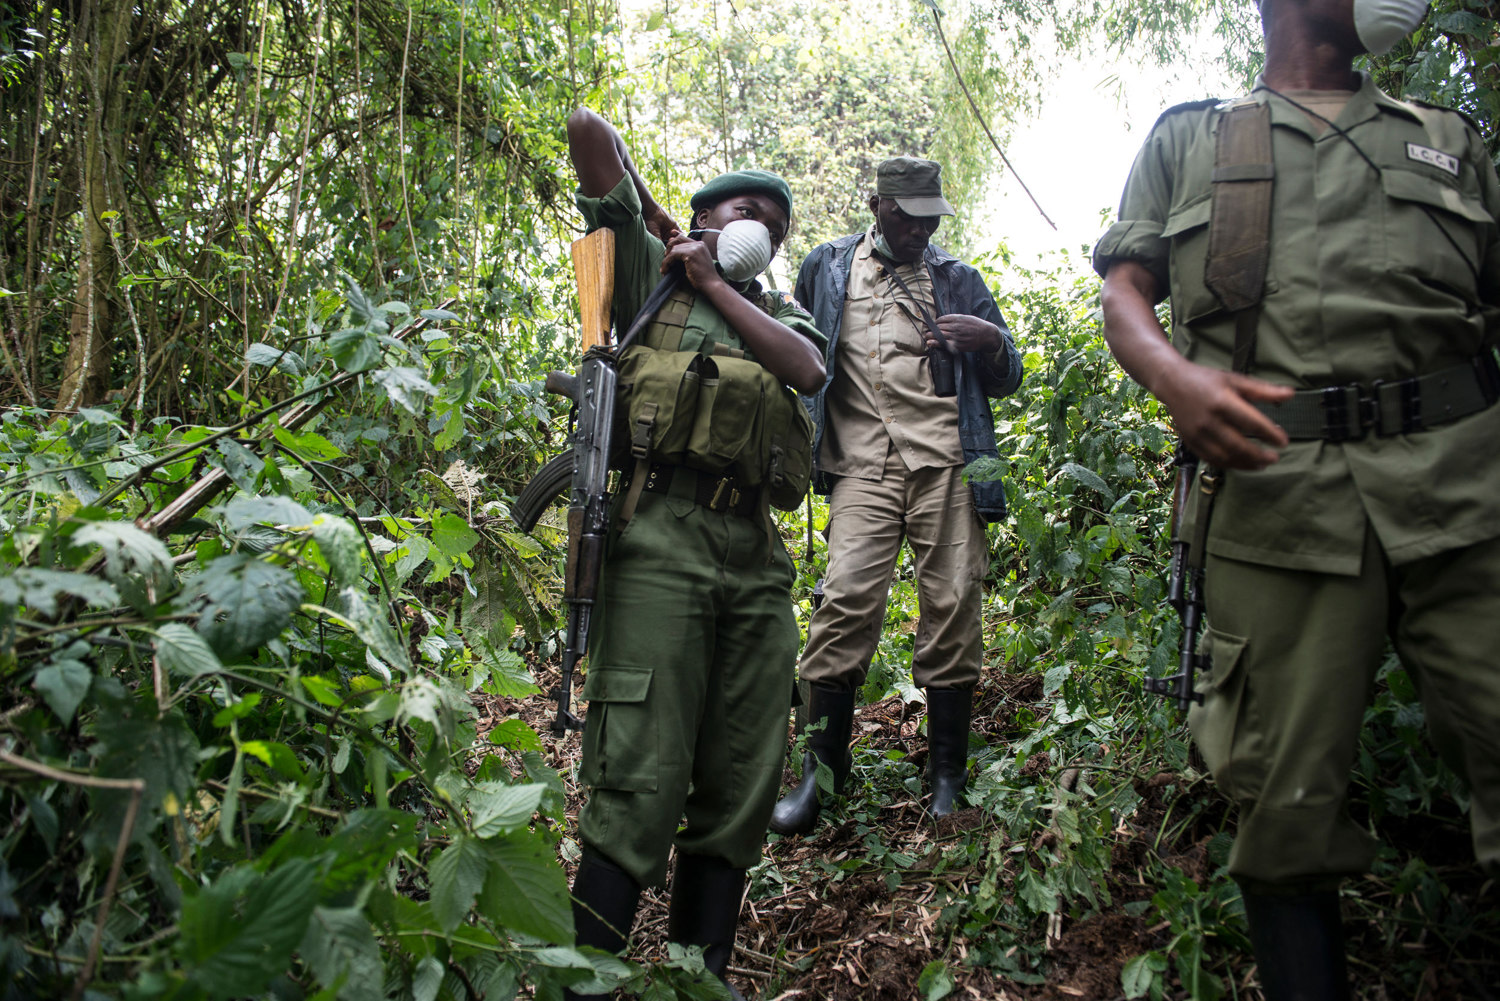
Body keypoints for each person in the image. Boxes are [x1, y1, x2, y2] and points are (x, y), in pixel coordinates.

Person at [1093, 0, 1500, 996]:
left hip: (1467, 493)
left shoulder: (1447, 139)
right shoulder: (1192, 138)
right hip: (1280, 504)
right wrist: (1174, 380)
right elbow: (1124, 289)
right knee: (1284, 794)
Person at [561, 107, 826, 1000]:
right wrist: (671, 231)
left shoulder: (782, 313)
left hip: (755, 555)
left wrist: (721, 282)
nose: (761, 227)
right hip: (659, 535)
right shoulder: (648, 274)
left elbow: (808, 373)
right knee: (639, 772)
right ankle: (587, 978)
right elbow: (587, 131)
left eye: (775, 225)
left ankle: (695, 981)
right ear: (706, 215)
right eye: (744, 209)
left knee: (741, 775)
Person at [769, 156, 1023, 836]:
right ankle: (820, 776)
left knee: (952, 603)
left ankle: (946, 778)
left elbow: (1010, 370)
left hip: (946, 461)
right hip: (863, 463)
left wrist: (989, 340)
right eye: (909, 218)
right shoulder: (827, 267)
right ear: (878, 206)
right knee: (845, 598)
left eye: (930, 220)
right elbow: (801, 349)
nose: (920, 231)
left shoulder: (958, 279)